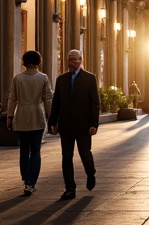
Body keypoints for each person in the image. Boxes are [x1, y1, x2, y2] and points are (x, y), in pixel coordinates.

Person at [48, 49, 101, 200]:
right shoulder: (61, 79)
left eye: (76, 59)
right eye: (70, 59)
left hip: (84, 126)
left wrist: (94, 124)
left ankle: (90, 173)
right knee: (66, 157)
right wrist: (53, 122)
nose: (73, 62)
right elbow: (56, 103)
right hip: (66, 126)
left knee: (85, 154)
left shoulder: (90, 78)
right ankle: (70, 188)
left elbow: (95, 103)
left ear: (81, 60)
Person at [5, 49, 53, 197]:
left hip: (21, 116)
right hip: (37, 116)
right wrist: (51, 118)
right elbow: (48, 99)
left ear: (25, 62)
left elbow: (12, 98)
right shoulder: (43, 78)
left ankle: (26, 178)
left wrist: (10, 116)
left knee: (24, 150)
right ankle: (31, 183)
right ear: (38, 62)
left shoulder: (18, 78)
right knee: (36, 151)